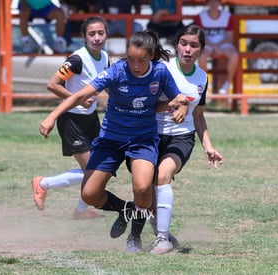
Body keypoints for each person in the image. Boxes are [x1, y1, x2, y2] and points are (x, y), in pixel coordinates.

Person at [39, 30, 189, 244]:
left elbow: (178, 98)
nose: (135, 65)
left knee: (143, 187)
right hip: (110, 139)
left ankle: (135, 236)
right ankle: (126, 209)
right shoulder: (116, 71)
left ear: (152, 56)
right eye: (131, 59)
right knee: (89, 194)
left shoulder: (160, 72)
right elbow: (82, 94)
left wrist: (182, 107)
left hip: (142, 140)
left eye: (141, 60)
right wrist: (52, 116)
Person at [112, 24, 224, 253]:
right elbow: (143, 104)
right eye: (183, 44)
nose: (188, 49)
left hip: (181, 138)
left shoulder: (202, 77)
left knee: (162, 176)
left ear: (201, 50)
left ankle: (162, 239)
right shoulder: (161, 69)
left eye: (194, 45)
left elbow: (198, 115)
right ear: (176, 45)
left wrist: (208, 146)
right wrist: (173, 104)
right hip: (149, 135)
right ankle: (137, 235)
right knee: (145, 191)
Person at [32, 16, 110, 219]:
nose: (96, 37)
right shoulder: (77, 59)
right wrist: (76, 99)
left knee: (99, 169)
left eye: (100, 33)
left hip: (91, 119)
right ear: (84, 37)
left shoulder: (105, 57)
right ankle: (43, 184)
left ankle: (81, 211)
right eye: (91, 34)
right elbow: (53, 84)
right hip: (71, 120)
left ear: (106, 35)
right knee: (93, 171)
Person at [194, 0, 239, 94]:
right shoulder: (200, 16)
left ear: (219, 3)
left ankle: (227, 83)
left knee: (235, 56)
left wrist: (218, 45)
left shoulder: (227, 16)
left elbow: (230, 37)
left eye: (216, 1)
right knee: (201, 56)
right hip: (207, 43)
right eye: (211, 2)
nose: (213, 4)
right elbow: (200, 36)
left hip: (223, 43)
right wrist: (213, 46)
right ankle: (205, 84)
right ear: (207, 4)